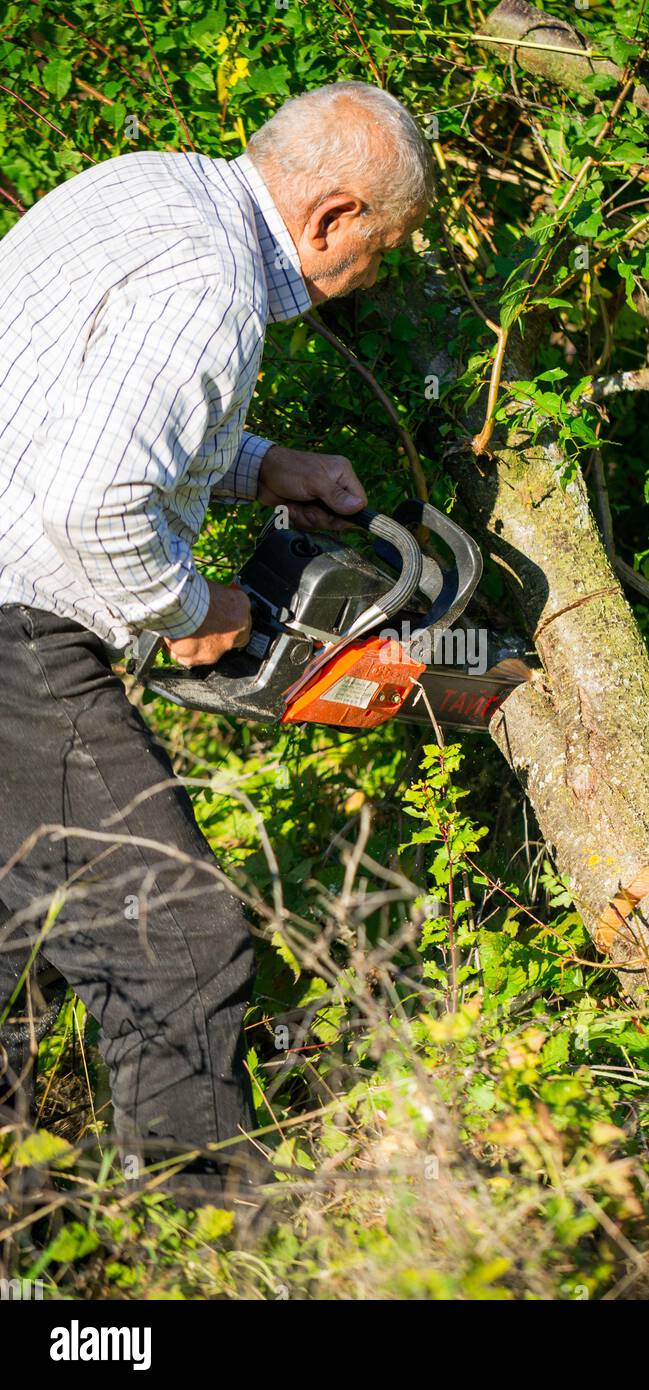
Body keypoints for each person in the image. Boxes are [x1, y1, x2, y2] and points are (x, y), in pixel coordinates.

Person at [0, 80, 435, 1199]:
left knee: (19, 942)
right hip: (19, 635)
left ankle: (37, 1246)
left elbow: (85, 410)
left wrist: (262, 465)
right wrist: (198, 613)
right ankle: (195, 1249)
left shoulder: (144, 189)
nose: (372, 274)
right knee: (176, 938)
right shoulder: (215, 282)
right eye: (383, 247)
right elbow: (90, 507)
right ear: (335, 215)